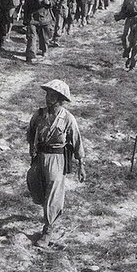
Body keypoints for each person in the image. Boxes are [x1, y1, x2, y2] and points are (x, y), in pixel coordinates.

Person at [26, 79, 86, 248]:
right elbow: (31, 132)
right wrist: (32, 147)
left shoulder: (68, 118)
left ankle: (48, 229)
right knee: (34, 183)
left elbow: (77, 141)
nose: (48, 98)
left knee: (53, 193)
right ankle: (47, 210)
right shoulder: (39, 114)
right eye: (47, 94)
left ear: (60, 98)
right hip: (40, 157)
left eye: (52, 95)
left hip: (57, 158)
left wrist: (81, 165)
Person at [24, 0, 57, 64]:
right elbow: (26, 4)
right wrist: (25, 17)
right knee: (31, 36)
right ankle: (31, 55)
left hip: (44, 17)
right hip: (32, 17)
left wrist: (49, 2)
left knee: (44, 37)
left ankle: (44, 50)